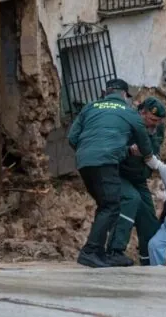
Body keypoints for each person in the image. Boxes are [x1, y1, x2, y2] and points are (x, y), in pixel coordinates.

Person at [67, 78, 154, 268]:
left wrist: (88, 152)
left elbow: (72, 137)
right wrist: (149, 158)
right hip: (105, 162)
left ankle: (100, 252)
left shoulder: (90, 107)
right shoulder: (129, 112)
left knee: (105, 205)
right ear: (124, 95)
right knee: (112, 205)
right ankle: (90, 251)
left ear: (105, 91)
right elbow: (144, 141)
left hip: (84, 162)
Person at [106, 97, 166, 266]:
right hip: (120, 174)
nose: (155, 124)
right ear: (142, 113)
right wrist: (130, 151)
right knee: (131, 199)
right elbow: (113, 149)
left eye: (159, 121)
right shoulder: (127, 123)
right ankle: (114, 251)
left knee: (149, 221)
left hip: (140, 178)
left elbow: (157, 149)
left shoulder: (157, 128)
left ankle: (149, 263)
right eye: (152, 119)